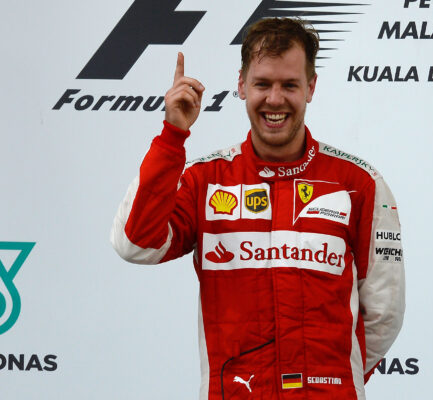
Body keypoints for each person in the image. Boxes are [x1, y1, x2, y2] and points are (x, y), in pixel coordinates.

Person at [111, 17, 404, 400]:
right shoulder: (206, 180)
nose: (275, 99)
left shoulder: (358, 183)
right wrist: (172, 137)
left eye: (290, 85)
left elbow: (384, 314)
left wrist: (329, 376)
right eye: (263, 84)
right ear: (241, 85)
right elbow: (135, 244)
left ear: (311, 88)